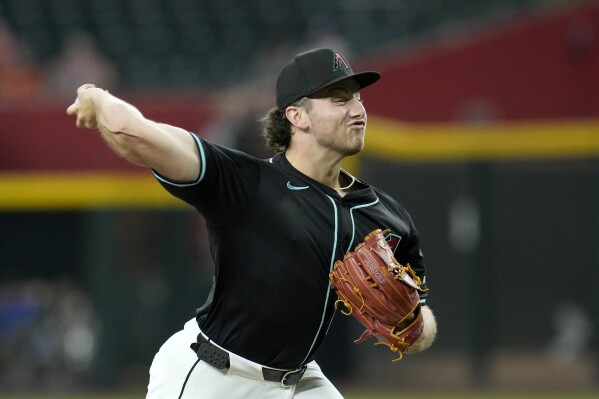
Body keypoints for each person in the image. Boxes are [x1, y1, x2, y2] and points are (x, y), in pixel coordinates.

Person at [66, 48, 437, 399]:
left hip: (301, 380)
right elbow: (137, 135)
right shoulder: (246, 183)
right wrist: (98, 99)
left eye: (359, 98)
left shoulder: (386, 216)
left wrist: (412, 325)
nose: (358, 110)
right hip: (214, 376)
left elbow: (421, 318)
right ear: (297, 116)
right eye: (340, 99)